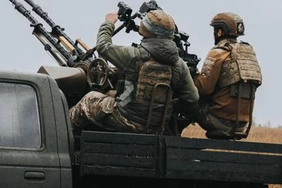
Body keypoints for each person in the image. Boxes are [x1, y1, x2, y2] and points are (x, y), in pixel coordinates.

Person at [69, 9, 199, 134]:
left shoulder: (135, 56)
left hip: (127, 120)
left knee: (89, 99)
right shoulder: (179, 65)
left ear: (145, 31)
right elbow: (192, 98)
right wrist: (165, 107)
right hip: (158, 126)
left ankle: (62, 138)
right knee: (111, 94)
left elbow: (103, 46)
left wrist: (109, 22)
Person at [192, 12, 262, 139]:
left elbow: (203, 89)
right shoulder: (248, 55)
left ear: (220, 32)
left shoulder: (218, 53)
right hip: (243, 125)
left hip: (218, 120)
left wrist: (192, 75)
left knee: (184, 99)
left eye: (215, 30)